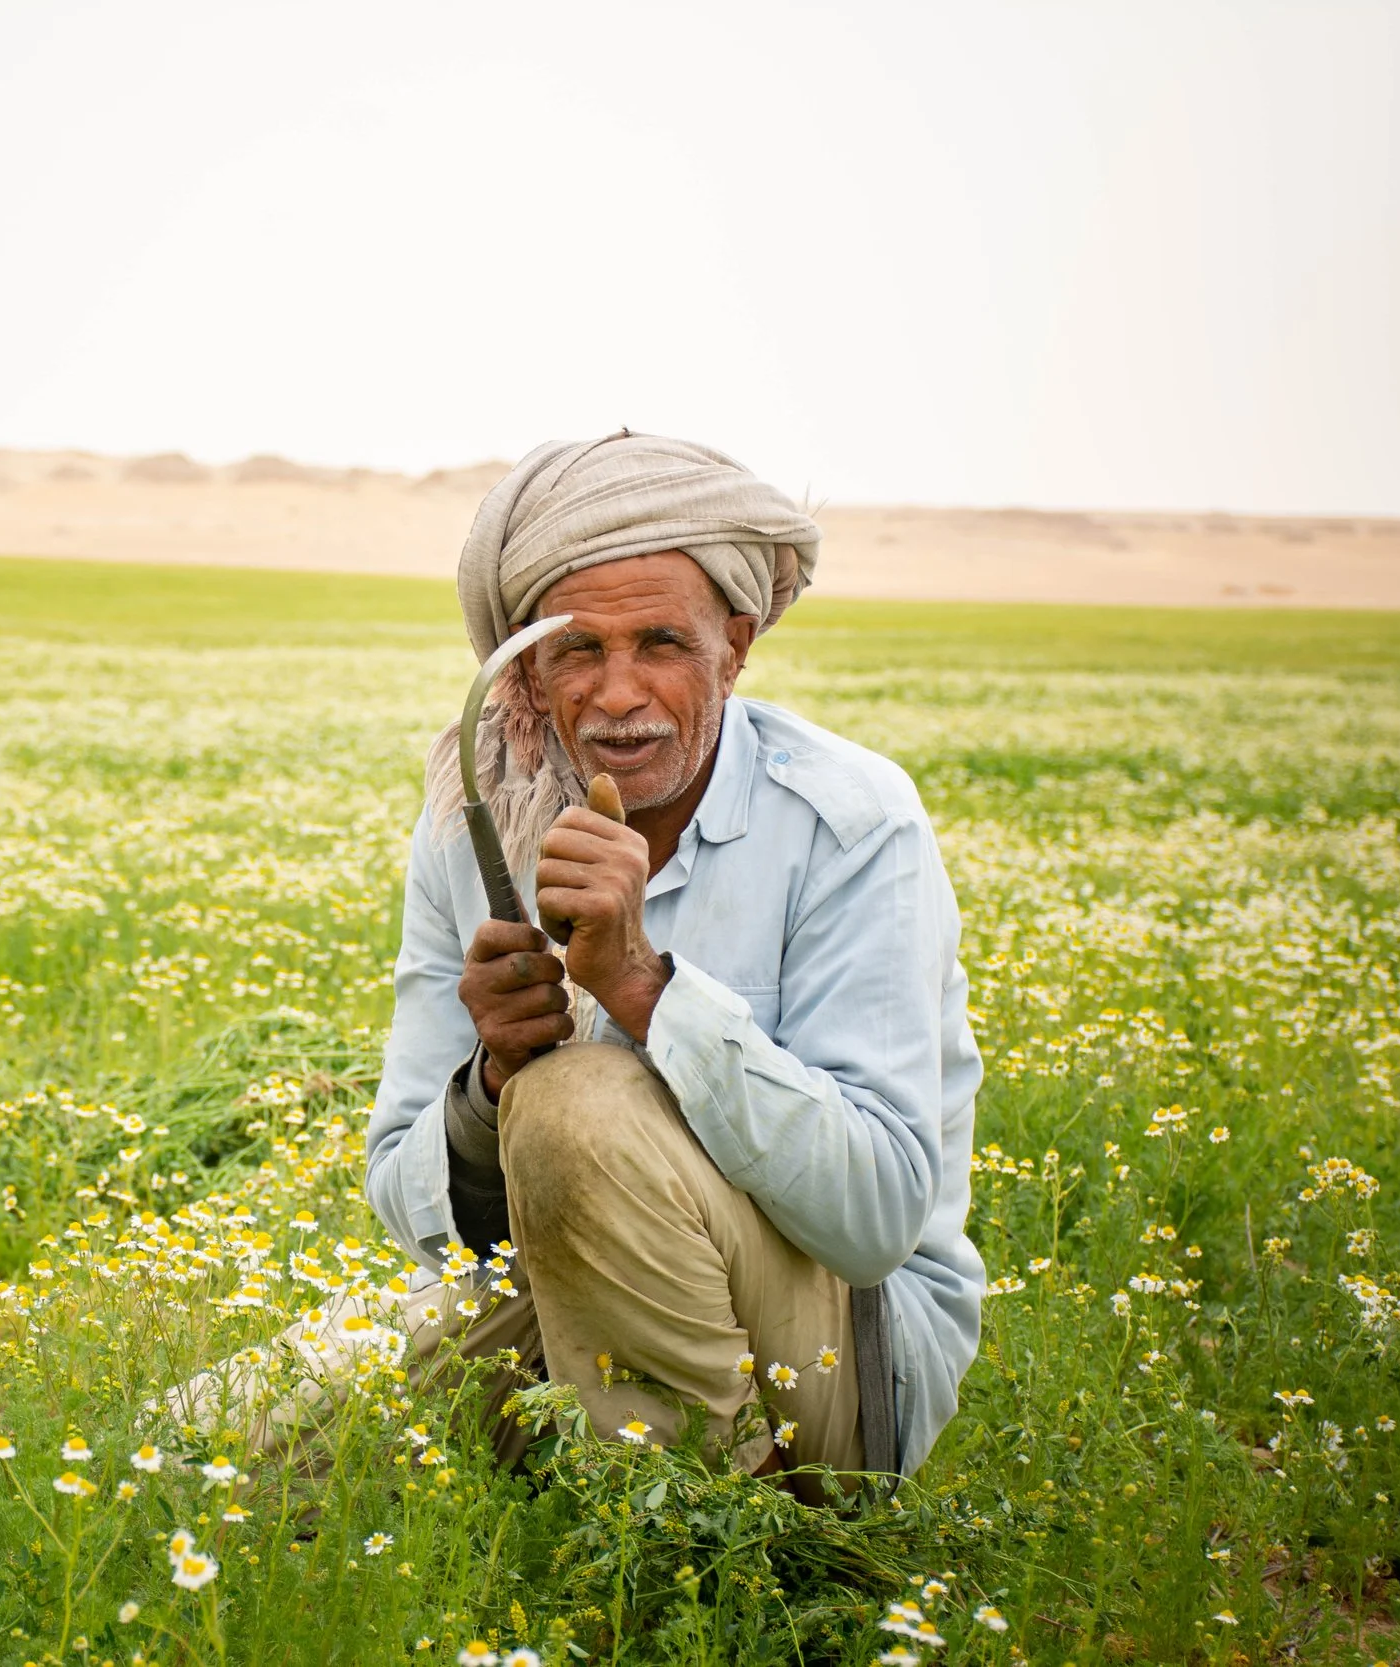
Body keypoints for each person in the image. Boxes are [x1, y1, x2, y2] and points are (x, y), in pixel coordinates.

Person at [366, 431, 983, 1480]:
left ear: (733, 646)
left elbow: (877, 1219)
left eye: (659, 642)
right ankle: (621, 1490)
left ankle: (711, 1555)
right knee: (222, 1449)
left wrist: (641, 990)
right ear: (523, 664)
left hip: (835, 1356)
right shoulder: (474, 829)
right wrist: (489, 1086)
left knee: (582, 1103)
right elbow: (404, 1196)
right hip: (557, 1291)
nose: (616, 694)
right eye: (575, 649)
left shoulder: (849, 822)